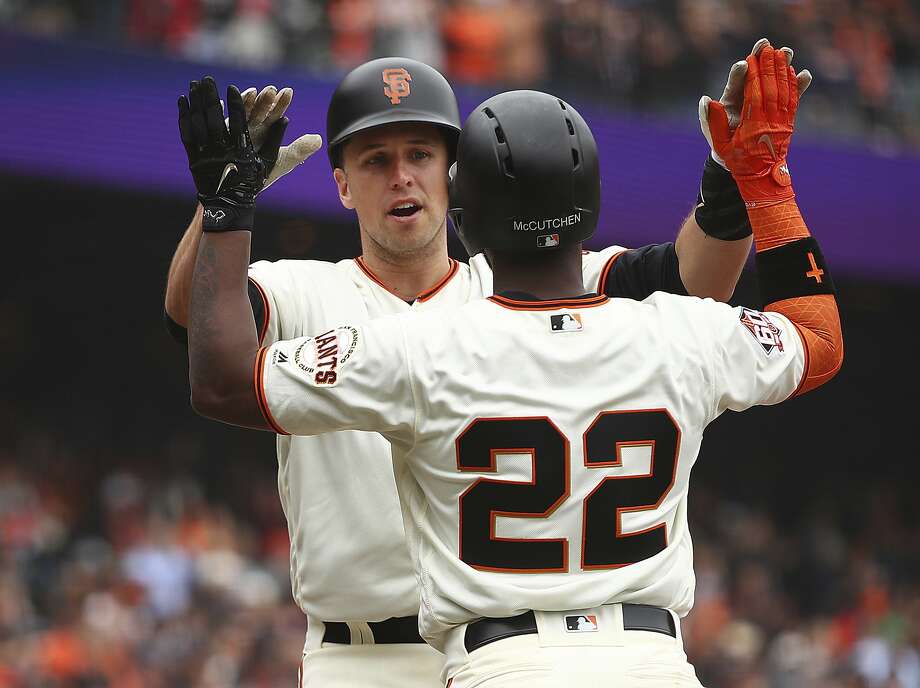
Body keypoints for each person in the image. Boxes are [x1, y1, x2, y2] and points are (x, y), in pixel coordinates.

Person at [182, 39, 842, 686]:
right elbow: (192, 312)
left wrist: (227, 211)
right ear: (342, 184)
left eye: (421, 153)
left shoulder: (431, 339)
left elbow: (221, 371)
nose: (402, 175)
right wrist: (757, 178)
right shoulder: (305, 288)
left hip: (492, 646)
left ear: (456, 181)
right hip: (378, 651)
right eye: (376, 159)